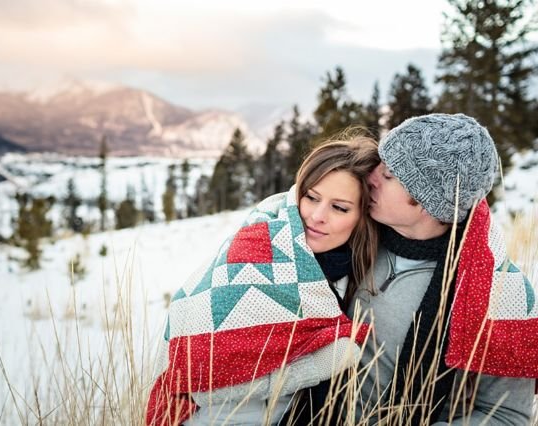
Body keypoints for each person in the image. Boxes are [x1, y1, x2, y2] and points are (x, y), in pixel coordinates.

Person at [289, 113, 538, 425]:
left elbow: (507, 415)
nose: (372, 177)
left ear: (427, 201)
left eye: (390, 174)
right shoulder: (352, 235)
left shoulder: (499, 293)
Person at [146, 133, 380, 425]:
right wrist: (330, 358)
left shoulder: (355, 269)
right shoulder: (258, 246)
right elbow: (201, 383)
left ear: (362, 216)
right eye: (311, 197)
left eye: (339, 207)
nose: (317, 216)